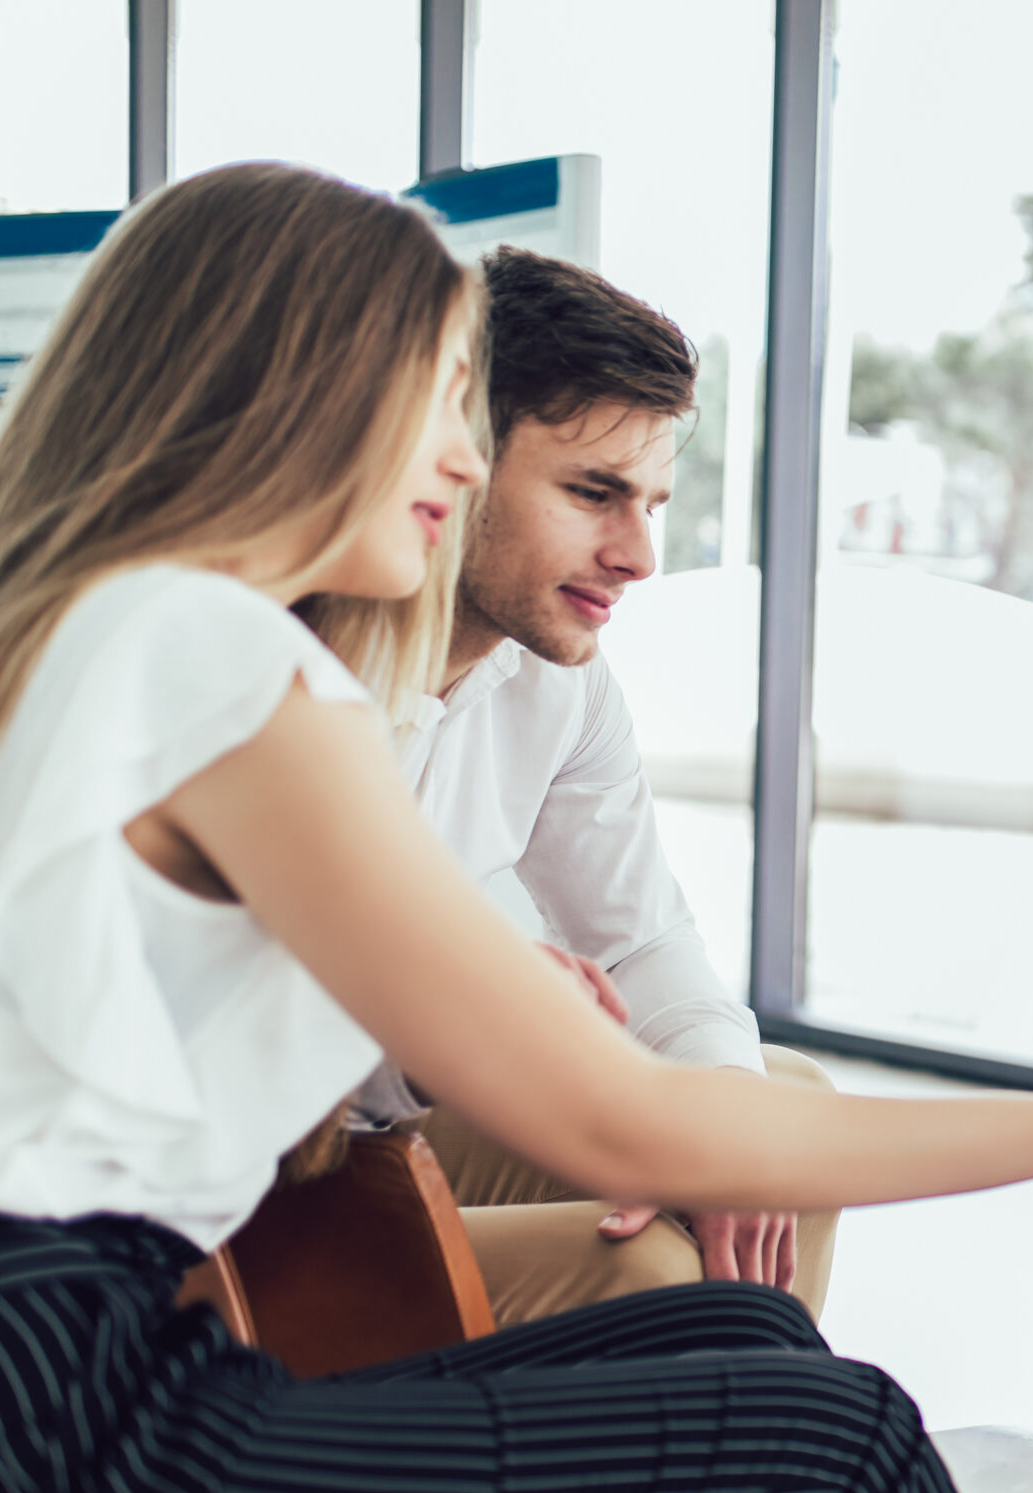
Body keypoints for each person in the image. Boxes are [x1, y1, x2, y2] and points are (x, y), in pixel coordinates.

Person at [0, 162, 1033, 1493]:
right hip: (55, 1447)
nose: (459, 459)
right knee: (840, 1451)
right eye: (439, 402)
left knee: (744, 1337)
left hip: (4, 1405)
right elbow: (621, 1114)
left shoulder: (74, 634)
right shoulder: (218, 655)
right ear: (297, 388)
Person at [349, 246, 833, 1344]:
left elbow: (642, 942)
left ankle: (751, 1468)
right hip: (265, 1178)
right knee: (654, 1277)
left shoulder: (556, 684)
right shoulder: (301, 672)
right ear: (453, 460)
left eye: (653, 502)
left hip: (382, 1120)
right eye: (592, 493)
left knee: (779, 1116)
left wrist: (716, 1110)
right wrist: (477, 1005)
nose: (640, 555)